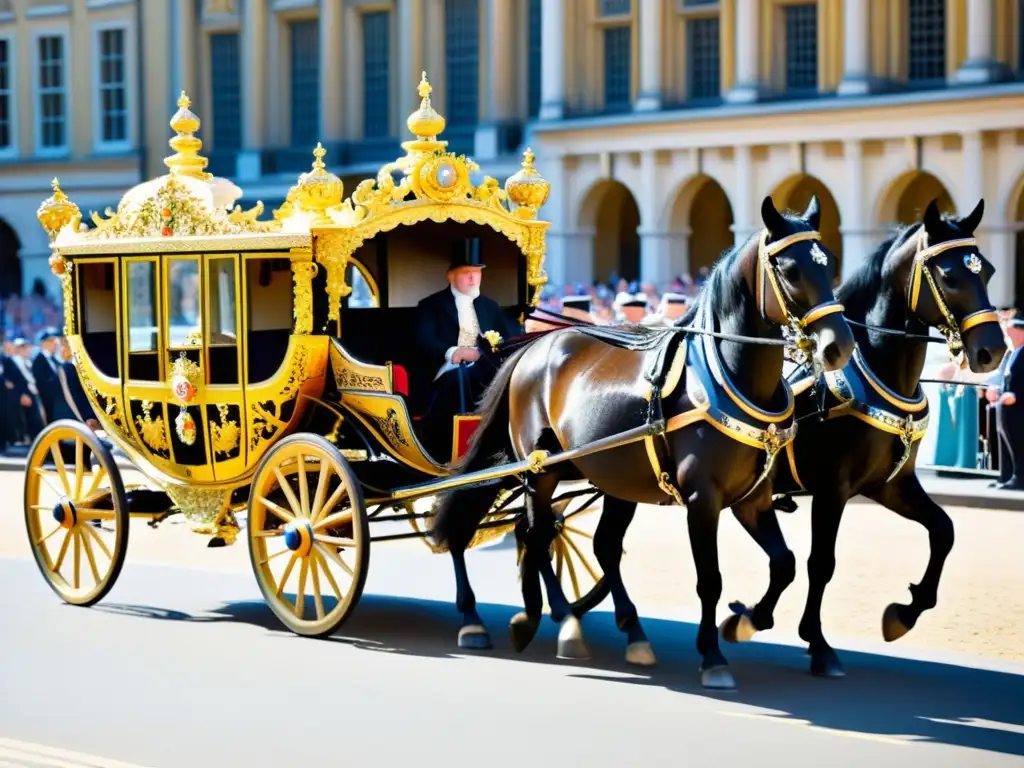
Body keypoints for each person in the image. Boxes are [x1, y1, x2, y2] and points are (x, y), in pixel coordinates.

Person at [413, 238, 522, 457]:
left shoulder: (490, 306)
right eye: (466, 273)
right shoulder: (431, 305)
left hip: (487, 369)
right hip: (448, 370)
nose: (473, 278)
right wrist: (454, 352)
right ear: (450, 276)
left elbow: (509, 340)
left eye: (477, 272)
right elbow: (423, 340)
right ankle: (450, 447)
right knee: (459, 380)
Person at [989, 318, 1024, 490]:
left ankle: (1020, 478)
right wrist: (997, 390)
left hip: (1019, 407)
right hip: (1005, 406)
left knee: (1018, 442)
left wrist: (1017, 395)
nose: (1007, 336)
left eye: (1010, 331)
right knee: (1004, 441)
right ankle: (1006, 475)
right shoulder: (1012, 353)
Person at [31, 327, 62, 426]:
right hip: (48, 398)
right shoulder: (39, 359)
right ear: (43, 343)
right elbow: (40, 379)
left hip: (57, 399)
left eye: (54, 340)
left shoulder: (54, 358)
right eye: (51, 341)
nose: (54, 343)